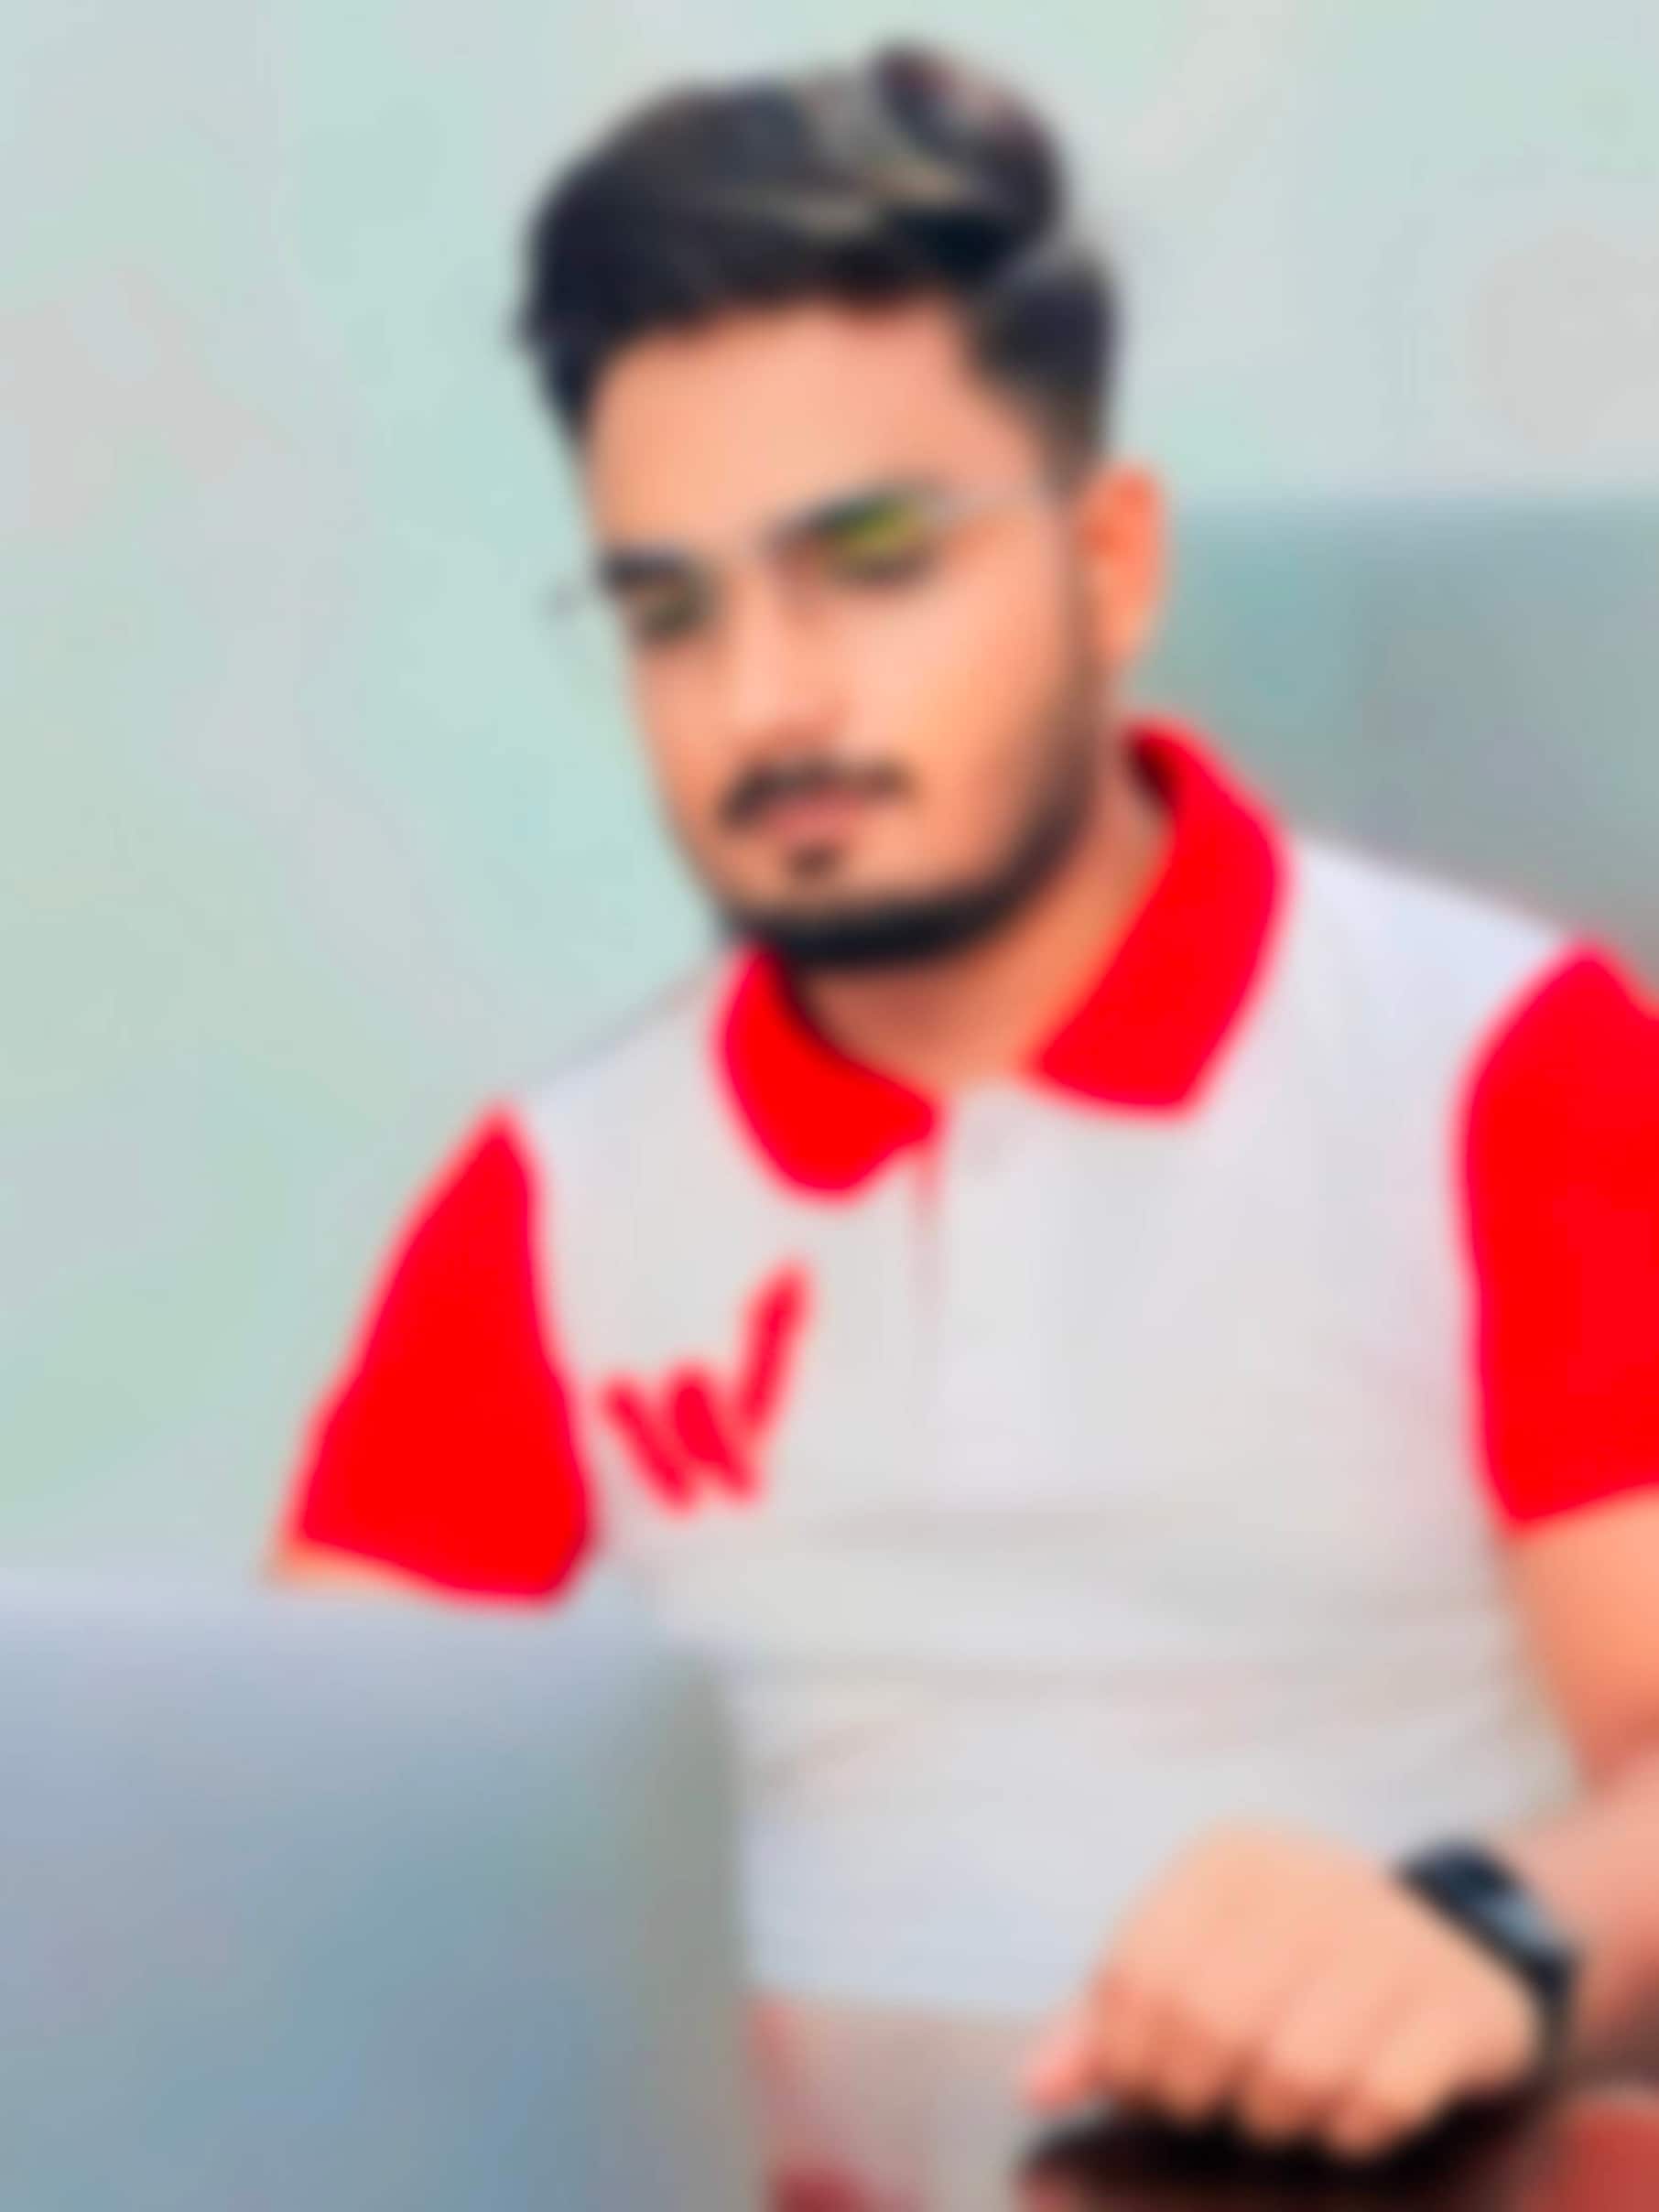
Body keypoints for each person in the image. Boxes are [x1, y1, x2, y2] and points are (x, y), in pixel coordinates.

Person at [272, 40, 1659, 2177]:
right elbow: (291, 1834)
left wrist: (1483, 1929)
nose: (766, 699)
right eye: (670, 609)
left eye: (874, 558)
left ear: (1110, 563)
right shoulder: (549, 1201)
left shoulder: (1506, 1065)